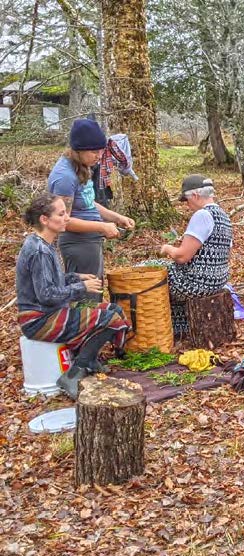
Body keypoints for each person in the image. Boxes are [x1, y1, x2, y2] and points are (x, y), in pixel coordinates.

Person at [16, 194, 132, 399]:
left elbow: (53, 280)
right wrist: (81, 286)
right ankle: (76, 371)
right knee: (111, 319)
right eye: (61, 214)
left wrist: (75, 277)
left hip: (51, 312)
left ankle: (89, 360)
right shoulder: (39, 251)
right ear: (44, 219)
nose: (67, 218)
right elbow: (46, 295)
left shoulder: (45, 244)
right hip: (39, 319)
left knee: (113, 310)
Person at [48, 118, 135, 300]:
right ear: (78, 150)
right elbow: (62, 221)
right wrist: (102, 227)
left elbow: (88, 202)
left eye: (101, 150)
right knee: (85, 299)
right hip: (78, 245)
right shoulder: (64, 177)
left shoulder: (82, 166)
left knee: (94, 294)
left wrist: (116, 217)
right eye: (94, 151)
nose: (99, 155)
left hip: (90, 241)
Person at [157, 174, 233, 336]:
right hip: (218, 282)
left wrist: (168, 249)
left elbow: (183, 256)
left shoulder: (202, 215)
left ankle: (152, 330)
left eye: (186, 200)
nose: (187, 205)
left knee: (146, 268)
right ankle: (181, 327)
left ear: (196, 195)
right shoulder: (224, 217)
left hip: (194, 283)